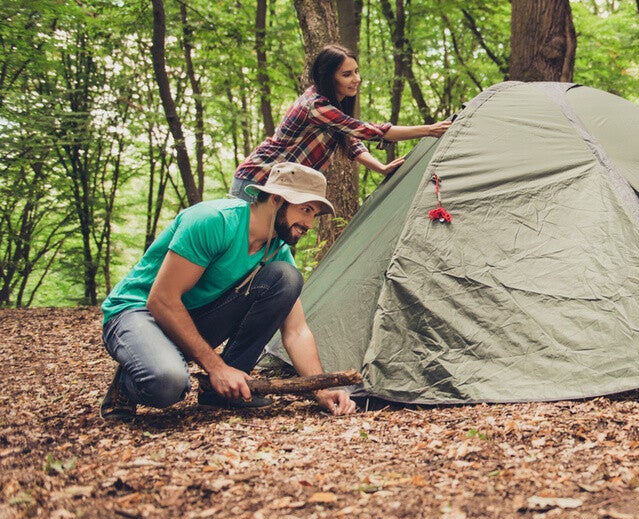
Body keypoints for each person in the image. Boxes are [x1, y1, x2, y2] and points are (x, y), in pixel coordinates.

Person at [100, 163, 357, 422]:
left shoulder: (276, 249)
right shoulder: (213, 221)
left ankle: (224, 391)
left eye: (314, 214)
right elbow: (162, 300)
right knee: (167, 384)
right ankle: (125, 386)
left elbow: (296, 331)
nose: (310, 224)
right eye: (306, 210)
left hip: (191, 315)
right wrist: (216, 367)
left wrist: (321, 390)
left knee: (287, 278)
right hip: (138, 310)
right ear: (277, 199)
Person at [230, 44, 451, 200]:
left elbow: (351, 141)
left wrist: (381, 168)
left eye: (356, 71)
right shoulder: (315, 105)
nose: (357, 79)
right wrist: (429, 130)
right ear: (328, 77)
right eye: (347, 74)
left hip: (283, 189)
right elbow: (365, 130)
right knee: (242, 249)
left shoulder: (332, 109)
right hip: (257, 180)